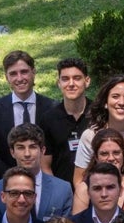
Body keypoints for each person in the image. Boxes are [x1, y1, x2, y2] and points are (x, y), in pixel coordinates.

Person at [0, 51, 57, 181]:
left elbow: (57, 151)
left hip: (45, 181)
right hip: (8, 182)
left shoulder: (52, 107)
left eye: (24, 72)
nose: (19, 78)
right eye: (13, 74)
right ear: (6, 77)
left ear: (33, 72)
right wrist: (15, 179)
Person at [0, 124, 73, 223]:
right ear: (12, 152)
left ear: (42, 151)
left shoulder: (62, 189)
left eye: (32, 147)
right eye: (20, 148)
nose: (27, 154)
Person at [38, 57, 93, 185]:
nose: (71, 84)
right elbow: (45, 165)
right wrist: (58, 192)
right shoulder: (48, 119)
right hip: (62, 192)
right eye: (65, 79)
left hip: (97, 192)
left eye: (77, 78)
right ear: (59, 83)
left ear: (87, 81)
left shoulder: (100, 114)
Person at [72, 128, 124, 215]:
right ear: (96, 157)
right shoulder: (84, 189)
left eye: (116, 153)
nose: (111, 158)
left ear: (123, 155)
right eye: (104, 154)